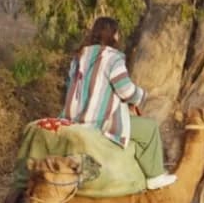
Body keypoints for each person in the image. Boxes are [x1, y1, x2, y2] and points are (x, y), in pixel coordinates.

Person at [62, 16, 177, 190]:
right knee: (150, 128)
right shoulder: (112, 58)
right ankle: (154, 176)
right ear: (114, 35)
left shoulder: (79, 57)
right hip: (101, 121)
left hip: (72, 119)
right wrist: (143, 95)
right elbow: (125, 90)